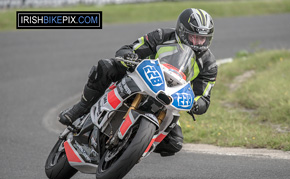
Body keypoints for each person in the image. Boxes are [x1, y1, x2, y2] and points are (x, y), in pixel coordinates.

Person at [58, 8, 218, 157]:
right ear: (182, 31)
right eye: (194, 37)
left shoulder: (208, 63)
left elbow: (204, 96)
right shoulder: (162, 35)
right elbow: (129, 48)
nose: (198, 43)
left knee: (174, 143)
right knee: (105, 66)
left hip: (167, 96)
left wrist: (197, 105)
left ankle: (132, 146)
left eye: (202, 38)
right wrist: (129, 56)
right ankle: (80, 108)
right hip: (139, 77)